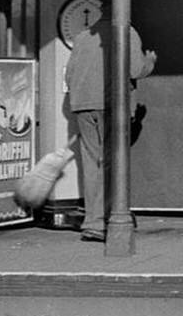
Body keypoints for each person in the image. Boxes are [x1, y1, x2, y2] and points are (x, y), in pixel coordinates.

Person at [63, 15, 156, 243]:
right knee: (110, 163)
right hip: (111, 104)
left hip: (83, 106)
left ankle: (93, 221)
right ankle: (104, 221)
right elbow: (135, 69)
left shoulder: (83, 36)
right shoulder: (127, 32)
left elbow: (68, 74)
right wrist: (149, 60)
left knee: (92, 164)